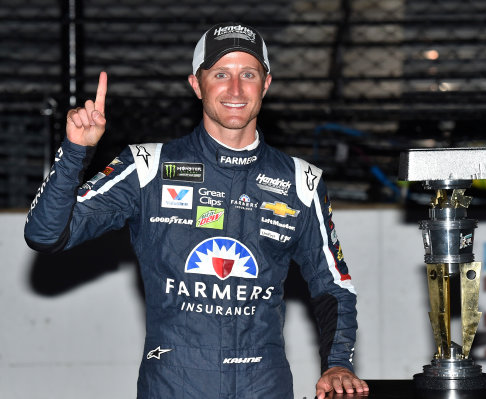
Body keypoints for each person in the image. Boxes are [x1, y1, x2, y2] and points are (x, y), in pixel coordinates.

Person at [24, 22, 369, 399]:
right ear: (196, 84)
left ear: (266, 85)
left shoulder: (302, 181)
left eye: (248, 74)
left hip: (264, 386)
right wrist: (76, 151)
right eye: (220, 74)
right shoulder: (147, 167)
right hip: (174, 384)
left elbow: (331, 284)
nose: (235, 89)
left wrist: (338, 364)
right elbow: (45, 235)